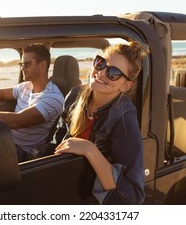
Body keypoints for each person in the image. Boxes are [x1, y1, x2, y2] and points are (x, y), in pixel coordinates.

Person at [54, 42, 146, 204]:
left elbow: (133, 196)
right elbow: (55, 142)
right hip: (64, 182)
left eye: (113, 73)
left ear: (126, 85)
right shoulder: (75, 95)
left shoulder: (124, 118)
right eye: (100, 63)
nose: (101, 72)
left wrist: (90, 150)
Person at [0, 43, 64, 162]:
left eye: (26, 64)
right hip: (7, 140)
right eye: (21, 64)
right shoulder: (26, 86)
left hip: (23, 152)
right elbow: (0, 93)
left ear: (42, 65)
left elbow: (18, 121)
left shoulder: (53, 98)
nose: (22, 68)